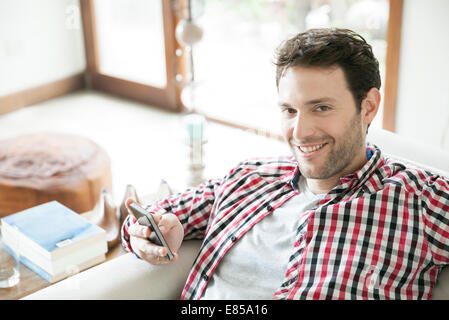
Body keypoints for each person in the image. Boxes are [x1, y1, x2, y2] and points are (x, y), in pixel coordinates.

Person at [120, 28, 449, 300]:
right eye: (290, 111)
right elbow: (146, 220)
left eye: (321, 108)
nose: (300, 132)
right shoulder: (248, 178)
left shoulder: (420, 198)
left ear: (368, 106)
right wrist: (150, 232)